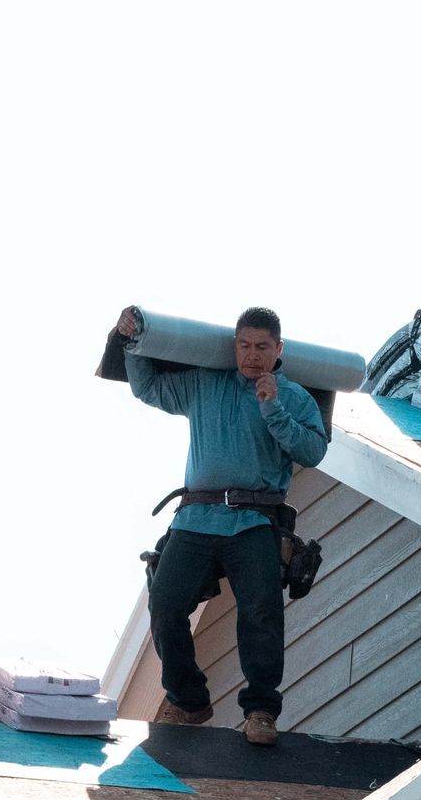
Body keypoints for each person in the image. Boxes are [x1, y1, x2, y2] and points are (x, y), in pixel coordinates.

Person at [119, 305, 328, 742]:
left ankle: (261, 712)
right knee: (166, 602)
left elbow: (312, 451)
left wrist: (274, 410)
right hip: (196, 516)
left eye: (262, 347)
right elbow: (149, 389)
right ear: (235, 346)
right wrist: (131, 341)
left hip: (255, 519)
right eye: (245, 345)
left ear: (279, 350)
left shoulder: (293, 397)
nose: (252, 355)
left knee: (260, 612)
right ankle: (189, 700)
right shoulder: (205, 384)